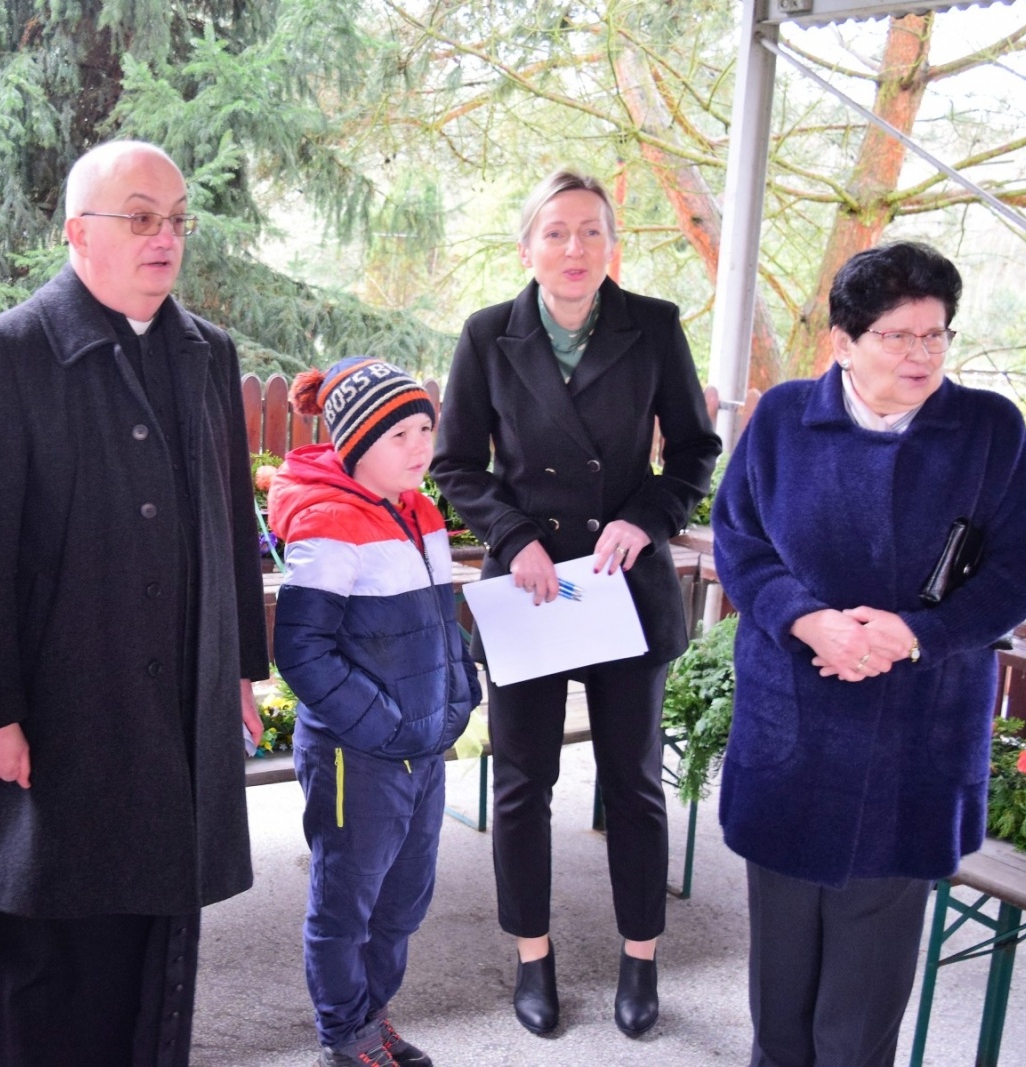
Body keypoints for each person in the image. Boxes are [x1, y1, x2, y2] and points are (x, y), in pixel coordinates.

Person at [0, 140, 270, 1066]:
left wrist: (239, 666)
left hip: (181, 697)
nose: (165, 237)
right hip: (58, 707)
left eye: (176, 219)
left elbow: (231, 517)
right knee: (41, 947)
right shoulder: (3, 354)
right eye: (141, 217)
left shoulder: (207, 352)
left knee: (159, 939)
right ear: (79, 234)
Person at [711, 241, 1026, 1066]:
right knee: (782, 986)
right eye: (899, 336)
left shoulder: (988, 430)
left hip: (916, 733)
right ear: (843, 342)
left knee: (862, 1004)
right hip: (792, 722)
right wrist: (808, 620)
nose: (922, 354)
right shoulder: (786, 418)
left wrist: (913, 633)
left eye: (936, 335)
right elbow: (740, 540)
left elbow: (1020, 570)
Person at [430, 169, 720, 1038]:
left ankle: (641, 957)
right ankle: (533, 956)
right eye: (556, 232)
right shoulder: (487, 335)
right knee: (523, 784)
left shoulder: (656, 326)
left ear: (612, 245)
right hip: (532, 590)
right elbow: (456, 466)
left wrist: (645, 517)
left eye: (591, 231)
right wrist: (513, 538)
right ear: (528, 247)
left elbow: (696, 453)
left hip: (622, 588)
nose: (574, 248)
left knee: (632, 784)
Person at [269, 357, 481, 1067]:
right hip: (357, 755)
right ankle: (344, 1035)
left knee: (403, 902)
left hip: (423, 747)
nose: (422, 445)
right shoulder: (328, 521)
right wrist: (381, 724)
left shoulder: (420, 512)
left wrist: (460, 693)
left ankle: (372, 1017)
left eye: (426, 427)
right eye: (401, 435)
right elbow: (302, 650)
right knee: (346, 904)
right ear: (358, 441)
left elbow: (439, 620)